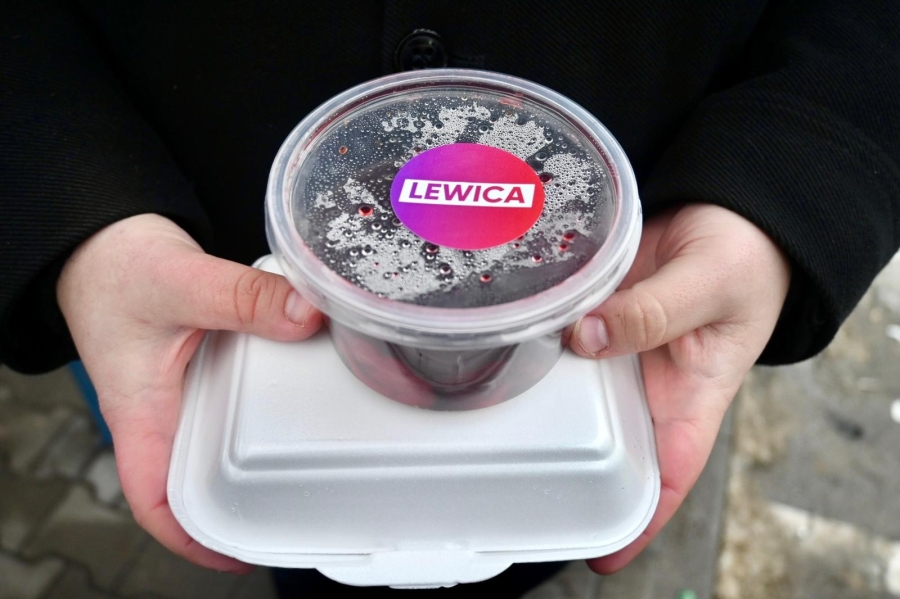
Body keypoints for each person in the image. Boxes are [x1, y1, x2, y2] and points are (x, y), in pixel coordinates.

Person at [1, 1, 898, 596]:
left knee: (530, 547)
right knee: (300, 545)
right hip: (192, 289)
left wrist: (786, 183)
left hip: (626, 290)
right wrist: (71, 211)